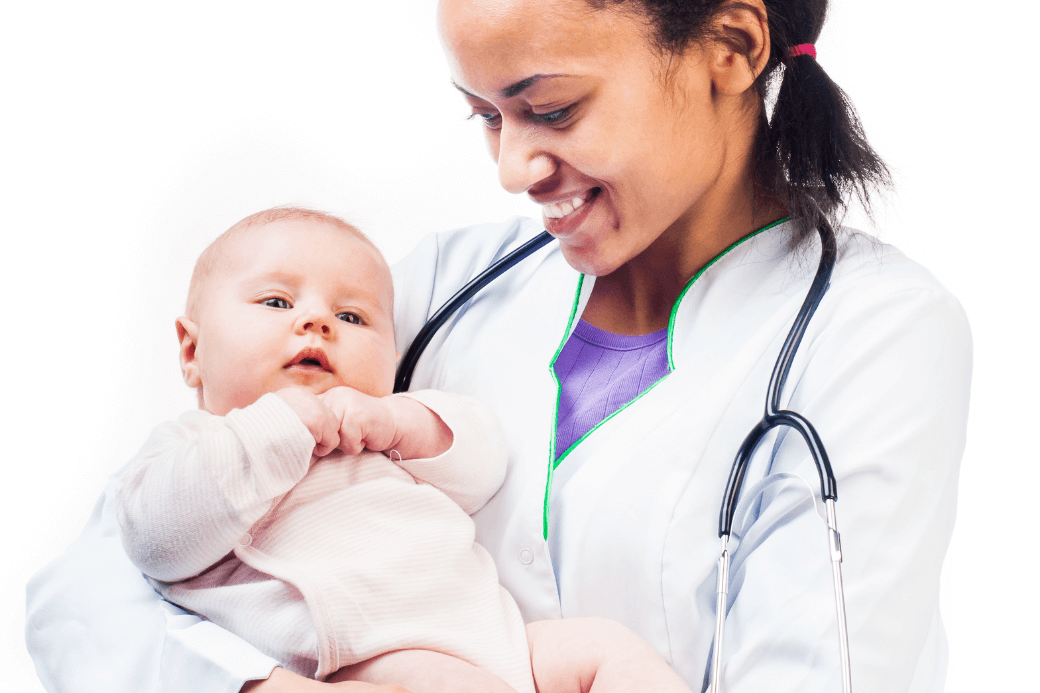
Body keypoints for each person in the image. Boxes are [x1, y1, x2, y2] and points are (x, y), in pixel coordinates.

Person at [25, 1, 972, 692]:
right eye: (485, 115)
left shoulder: (869, 335)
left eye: (551, 108)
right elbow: (88, 589)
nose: (514, 167)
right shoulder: (434, 290)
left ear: (731, 47)